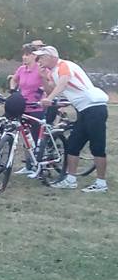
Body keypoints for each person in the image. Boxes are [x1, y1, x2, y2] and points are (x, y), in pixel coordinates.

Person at [36, 46, 109, 192]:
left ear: (52, 57)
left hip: (95, 108)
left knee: (97, 147)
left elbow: (63, 83)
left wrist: (50, 99)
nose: (39, 61)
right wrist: (43, 78)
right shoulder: (52, 72)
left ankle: (101, 183)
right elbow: (51, 90)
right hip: (83, 110)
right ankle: (71, 180)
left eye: (42, 57)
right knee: (72, 145)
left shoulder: (64, 65)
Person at [10, 44, 46, 175]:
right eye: (24, 54)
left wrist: (41, 92)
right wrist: (13, 90)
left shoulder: (40, 69)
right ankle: (29, 165)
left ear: (35, 56)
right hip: (23, 106)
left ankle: (39, 165)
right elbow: (14, 80)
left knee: (36, 138)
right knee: (26, 136)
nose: (24, 57)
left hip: (36, 107)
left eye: (28, 54)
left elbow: (48, 84)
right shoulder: (21, 69)